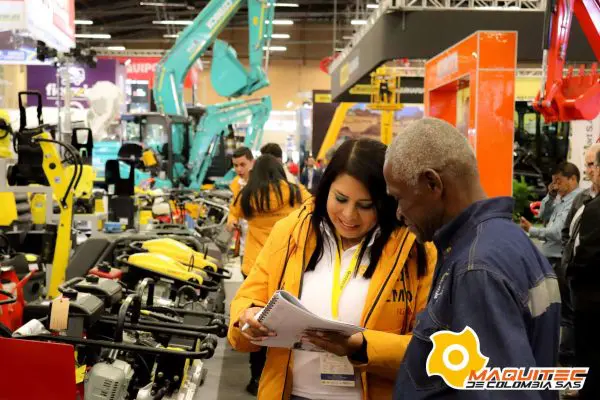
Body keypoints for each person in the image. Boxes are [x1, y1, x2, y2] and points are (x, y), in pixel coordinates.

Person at [228, 138, 436, 400]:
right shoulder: (290, 233)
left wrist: (361, 346)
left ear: (386, 202)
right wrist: (247, 317)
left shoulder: (415, 250)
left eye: (365, 205)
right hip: (291, 393)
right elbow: (247, 300)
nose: (349, 215)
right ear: (326, 189)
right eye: (340, 199)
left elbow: (432, 346)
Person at [384, 118, 560, 400]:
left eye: (398, 198)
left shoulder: (475, 267)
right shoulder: (509, 241)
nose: (398, 213)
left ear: (432, 183)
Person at [228, 154, 311, 395]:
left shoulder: (247, 195)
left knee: (254, 323)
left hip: (255, 266)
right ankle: (285, 373)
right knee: (284, 323)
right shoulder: (294, 193)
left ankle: (256, 378)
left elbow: (233, 217)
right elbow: (313, 206)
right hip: (287, 264)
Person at [520, 161, 581, 367]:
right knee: (545, 306)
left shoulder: (575, 200)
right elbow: (543, 215)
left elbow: (556, 232)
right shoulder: (561, 198)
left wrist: (532, 231)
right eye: (553, 181)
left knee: (563, 310)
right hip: (549, 258)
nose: (556, 185)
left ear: (572, 180)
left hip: (558, 260)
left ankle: (565, 356)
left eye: (559, 181)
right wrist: (550, 195)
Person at [567, 148, 600, 399]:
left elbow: (587, 255)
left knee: (590, 359)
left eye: (593, 166)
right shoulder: (584, 202)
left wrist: (572, 274)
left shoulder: (595, 209)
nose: (590, 171)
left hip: (592, 301)